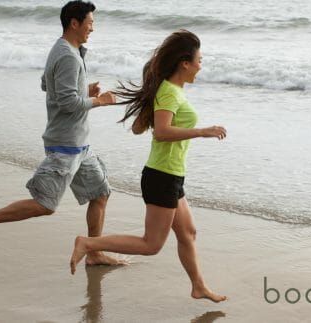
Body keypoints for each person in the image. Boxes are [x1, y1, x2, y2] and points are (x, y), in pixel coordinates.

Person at [70, 30, 228, 303]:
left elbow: (138, 128)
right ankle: (88, 244)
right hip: (161, 176)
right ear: (184, 63)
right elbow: (163, 133)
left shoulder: (169, 90)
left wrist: (147, 109)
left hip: (172, 175)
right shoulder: (168, 92)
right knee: (151, 244)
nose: (201, 65)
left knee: (188, 232)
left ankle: (198, 286)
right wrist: (202, 131)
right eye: (199, 60)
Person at [0, 1, 122, 267]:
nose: (92, 28)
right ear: (74, 23)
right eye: (90, 23)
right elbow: (67, 103)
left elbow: (45, 84)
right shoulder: (67, 55)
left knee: (100, 193)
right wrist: (100, 101)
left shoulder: (65, 49)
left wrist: (84, 90)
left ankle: (94, 252)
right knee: (45, 204)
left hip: (80, 145)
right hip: (64, 145)